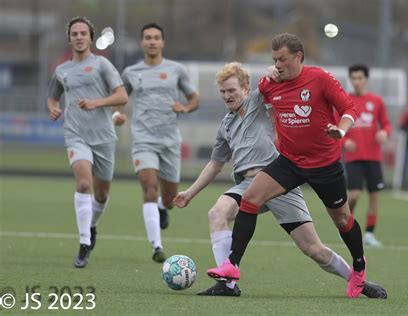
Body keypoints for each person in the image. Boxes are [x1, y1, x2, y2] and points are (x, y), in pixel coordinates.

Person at [174, 62, 386, 298]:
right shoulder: (226, 125)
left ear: (246, 89)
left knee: (313, 249)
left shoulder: (258, 100)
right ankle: (228, 282)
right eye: (223, 92)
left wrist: (273, 72)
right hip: (249, 185)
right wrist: (189, 193)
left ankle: (360, 282)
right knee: (217, 213)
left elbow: (282, 88)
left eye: (232, 90)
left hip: (282, 183)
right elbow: (215, 163)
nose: (227, 96)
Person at [207, 33, 369, 299]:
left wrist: (340, 130)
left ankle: (359, 267)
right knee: (250, 198)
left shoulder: (320, 79)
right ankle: (232, 266)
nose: (278, 64)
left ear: (298, 57)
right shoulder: (270, 84)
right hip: (290, 162)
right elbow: (260, 99)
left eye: (282, 59)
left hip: (325, 165)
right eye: (274, 60)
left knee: (342, 219)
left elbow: (349, 107)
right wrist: (267, 75)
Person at [47, 16, 128, 268]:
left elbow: (122, 95)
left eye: (83, 33)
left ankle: (91, 226)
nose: (79, 37)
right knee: (83, 183)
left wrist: (97, 103)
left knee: (101, 194)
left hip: (103, 136)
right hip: (75, 134)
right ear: (69, 38)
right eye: (75, 33)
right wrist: (53, 108)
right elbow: (52, 97)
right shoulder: (62, 70)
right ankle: (83, 245)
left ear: (90, 38)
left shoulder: (102, 64)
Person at [121, 23, 199, 262]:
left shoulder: (176, 70)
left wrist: (184, 108)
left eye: (156, 37)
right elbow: (120, 97)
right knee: (148, 186)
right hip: (143, 139)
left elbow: (194, 98)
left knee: (169, 199)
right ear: (142, 42)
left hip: (169, 142)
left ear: (162, 42)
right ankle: (157, 247)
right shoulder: (131, 72)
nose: (152, 41)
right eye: (148, 38)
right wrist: (118, 113)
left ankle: (163, 208)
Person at [343, 64, 392, 247]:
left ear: (366, 79)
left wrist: (385, 133)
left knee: (374, 196)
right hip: (354, 158)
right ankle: (346, 227)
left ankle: (370, 234)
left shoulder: (376, 101)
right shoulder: (345, 100)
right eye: (354, 78)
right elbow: (336, 125)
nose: (357, 81)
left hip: (373, 157)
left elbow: (386, 124)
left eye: (360, 78)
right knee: (354, 196)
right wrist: (344, 141)